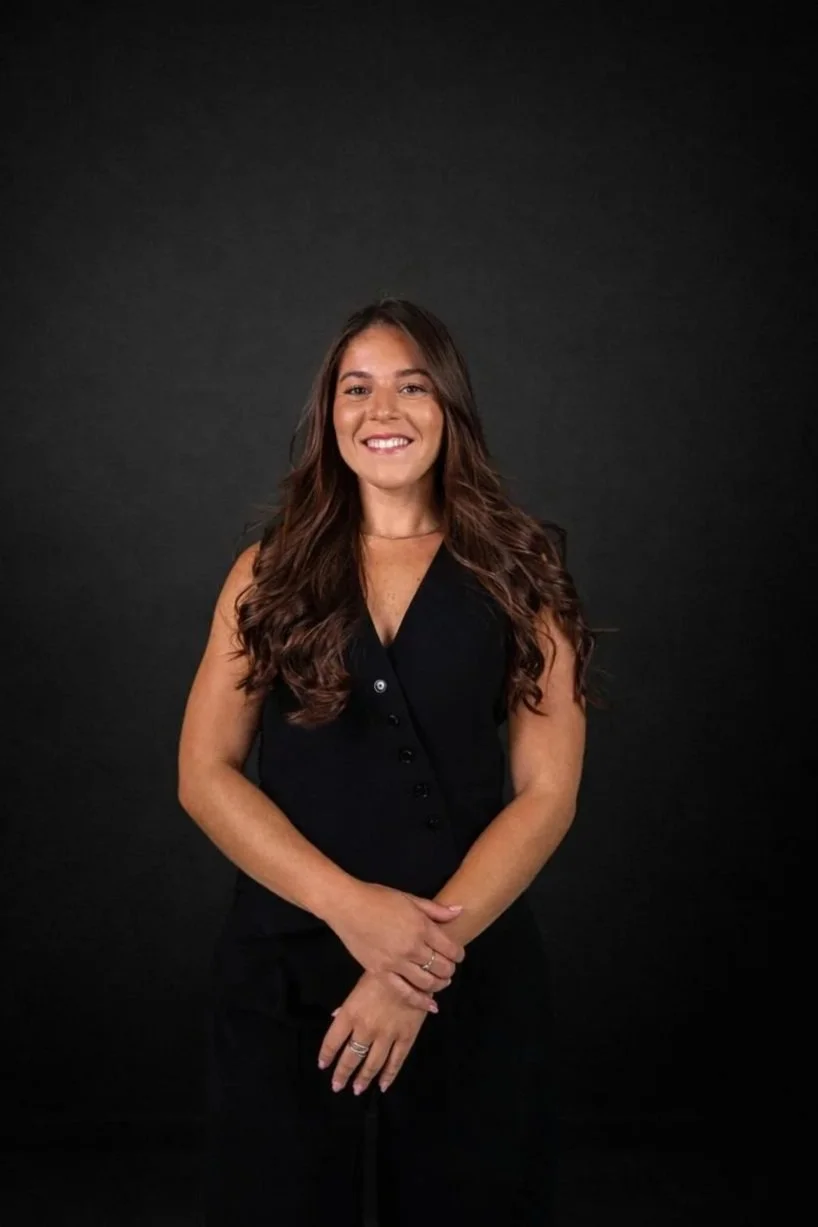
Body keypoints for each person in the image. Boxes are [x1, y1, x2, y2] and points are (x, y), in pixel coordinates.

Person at [177, 296, 595, 1226]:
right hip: (285, 965)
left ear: (450, 408)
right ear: (330, 416)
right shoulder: (269, 569)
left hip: (469, 964)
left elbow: (548, 790)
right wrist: (352, 910)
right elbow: (203, 771)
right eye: (356, 389)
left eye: (412, 386)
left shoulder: (524, 571)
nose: (383, 411)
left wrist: (418, 964)